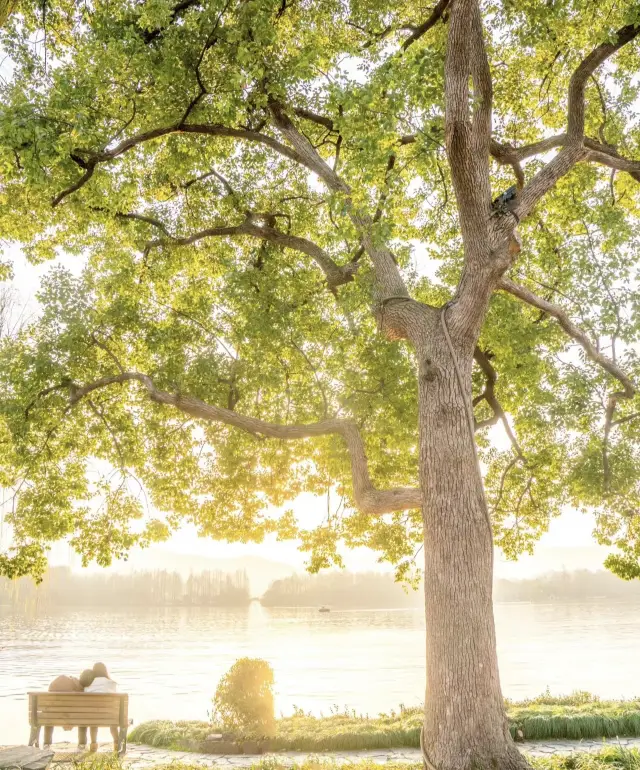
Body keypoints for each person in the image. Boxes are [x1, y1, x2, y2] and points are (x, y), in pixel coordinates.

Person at [43, 669, 95, 749]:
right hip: (73, 718)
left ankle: (46, 744)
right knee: (83, 718)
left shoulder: (62, 678)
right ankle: (82, 744)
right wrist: (70, 721)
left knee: (49, 714)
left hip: (52, 715)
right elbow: (80, 711)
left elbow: (50, 693)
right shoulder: (83, 693)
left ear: (80, 676)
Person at [83, 662, 119, 752]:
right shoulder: (112, 683)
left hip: (94, 716)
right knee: (113, 722)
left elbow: (85, 694)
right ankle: (117, 743)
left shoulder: (89, 684)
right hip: (110, 716)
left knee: (93, 722)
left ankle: (93, 745)